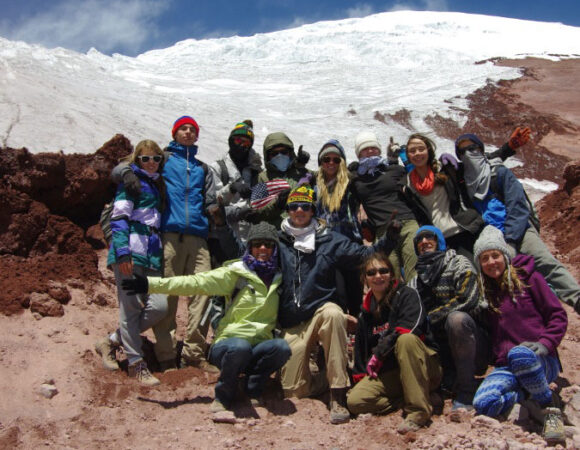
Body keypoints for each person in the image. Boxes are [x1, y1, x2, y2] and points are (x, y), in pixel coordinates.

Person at [122, 222, 291, 419]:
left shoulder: (280, 278)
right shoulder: (235, 273)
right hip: (229, 345)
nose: (263, 249)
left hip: (259, 346)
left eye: (268, 245)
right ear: (250, 247)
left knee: (281, 349)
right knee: (240, 347)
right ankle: (223, 397)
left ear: (275, 249)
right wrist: (150, 284)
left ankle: (251, 388)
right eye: (258, 244)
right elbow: (195, 283)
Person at [277, 185, 399, 424]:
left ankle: (338, 394)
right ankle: (335, 372)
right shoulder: (279, 240)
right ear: (288, 210)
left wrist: (390, 238)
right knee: (294, 391)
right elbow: (248, 254)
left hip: (321, 311)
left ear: (313, 210)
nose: (299, 210)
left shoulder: (329, 239)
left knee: (334, 314)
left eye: (305, 206)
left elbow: (367, 254)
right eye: (294, 206)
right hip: (292, 321)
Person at [114, 116, 218, 372]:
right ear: (174, 132)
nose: (188, 132)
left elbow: (212, 202)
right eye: (183, 128)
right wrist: (127, 173)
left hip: (198, 237)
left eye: (193, 129)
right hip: (169, 235)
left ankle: (194, 353)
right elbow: (121, 168)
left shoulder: (203, 168)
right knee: (168, 295)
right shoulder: (162, 159)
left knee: (202, 293)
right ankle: (166, 355)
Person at [455, 132, 580, 311]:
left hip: (517, 228)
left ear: (481, 150)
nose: (468, 154)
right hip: (489, 234)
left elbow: (517, 206)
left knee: (543, 261)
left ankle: (576, 298)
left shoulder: (499, 172)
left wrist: (511, 239)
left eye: (472, 148)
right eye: (462, 151)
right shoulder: (463, 180)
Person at [471, 225, 567, 445]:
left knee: (520, 355)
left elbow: (558, 315)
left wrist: (545, 343)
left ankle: (548, 407)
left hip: (541, 358)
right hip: (508, 365)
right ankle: (529, 392)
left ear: (505, 255)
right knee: (484, 403)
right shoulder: (486, 292)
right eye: (484, 258)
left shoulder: (529, 278)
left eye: (495, 255)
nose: (491, 262)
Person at [94, 140, 168, 386]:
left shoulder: (156, 183)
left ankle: (111, 341)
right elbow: (119, 218)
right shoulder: (131, 183)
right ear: (136, 161)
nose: (151, 163)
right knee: (131, 308)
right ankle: (136, 365)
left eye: (155, 159)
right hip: (131, 252)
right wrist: (123, 253)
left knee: (159, 306)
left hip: (152, 254)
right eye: (145, 159)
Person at [347, 252, 442, 434]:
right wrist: (360, 379)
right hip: (392, 373)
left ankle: (418, 412)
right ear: (364, 279)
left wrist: (380, 352)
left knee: (405, 340)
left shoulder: (407, 295)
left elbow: (408, 328)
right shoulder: (365, 314)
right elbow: (360, 354)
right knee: (356, 401)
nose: (378, 276)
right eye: (371, 272)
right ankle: (409, 397)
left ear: (391, 274)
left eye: (383, 270)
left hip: (424, 365)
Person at [408, 225, 489, 410]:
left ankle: (467, 390)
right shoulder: (415, 280)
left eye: (430, 237)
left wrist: (432, 317)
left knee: (456, 320)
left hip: (472, 343)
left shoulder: (459, 263)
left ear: (439, 242)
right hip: (441, 346)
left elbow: (469, 299)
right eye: (419, 240)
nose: (424, 242)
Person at [349, 130, 420, 281]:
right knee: (388, 277)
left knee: (413, 272)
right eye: (365, 148)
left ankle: (418, 303)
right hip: (383, 232)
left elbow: (415, 174)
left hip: (407, 223)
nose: (370, 151)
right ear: (358, 154)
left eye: (373, 147)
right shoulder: (355, 179)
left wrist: (401, 157)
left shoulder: (392, 169)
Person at [404, 133, 484, 260]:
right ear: (408, 155)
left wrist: (508, 149)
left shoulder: (445, 168)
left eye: (421, 149)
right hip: (439, 240)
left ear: (428, 150)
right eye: (412, 151)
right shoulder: (408, 185)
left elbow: (479, 166)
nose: (417, 153)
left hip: (463, 230)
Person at [315, 139, 363, 315]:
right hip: (325, 246)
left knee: (355, 292)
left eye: (336, 159)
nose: (331, 163)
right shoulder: (314, 186)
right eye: (326, 159)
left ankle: (360, 336)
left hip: (350, 243)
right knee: (337, 293)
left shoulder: (350, 183)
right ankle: (340, 334)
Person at [210, 120, 263, 243]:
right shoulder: (218, 168)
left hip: (251, 238)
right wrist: (231, 188)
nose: (242, 145)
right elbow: (212, 203)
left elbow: (262, 201)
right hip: (224, 237)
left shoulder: (257, 171)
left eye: (246, 142)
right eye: (238, 140)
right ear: (231, 141)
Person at [251, 132, 311, 228]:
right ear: (268, 156)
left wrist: (301, 165)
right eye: (274, 153)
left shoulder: (299, 172)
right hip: (277, 234)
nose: (279, 156)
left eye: (284, 152)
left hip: (302, 232)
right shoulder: (262, 177)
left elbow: (324, 176)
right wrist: (276, 205)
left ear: (290, 153)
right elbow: (255, 214)